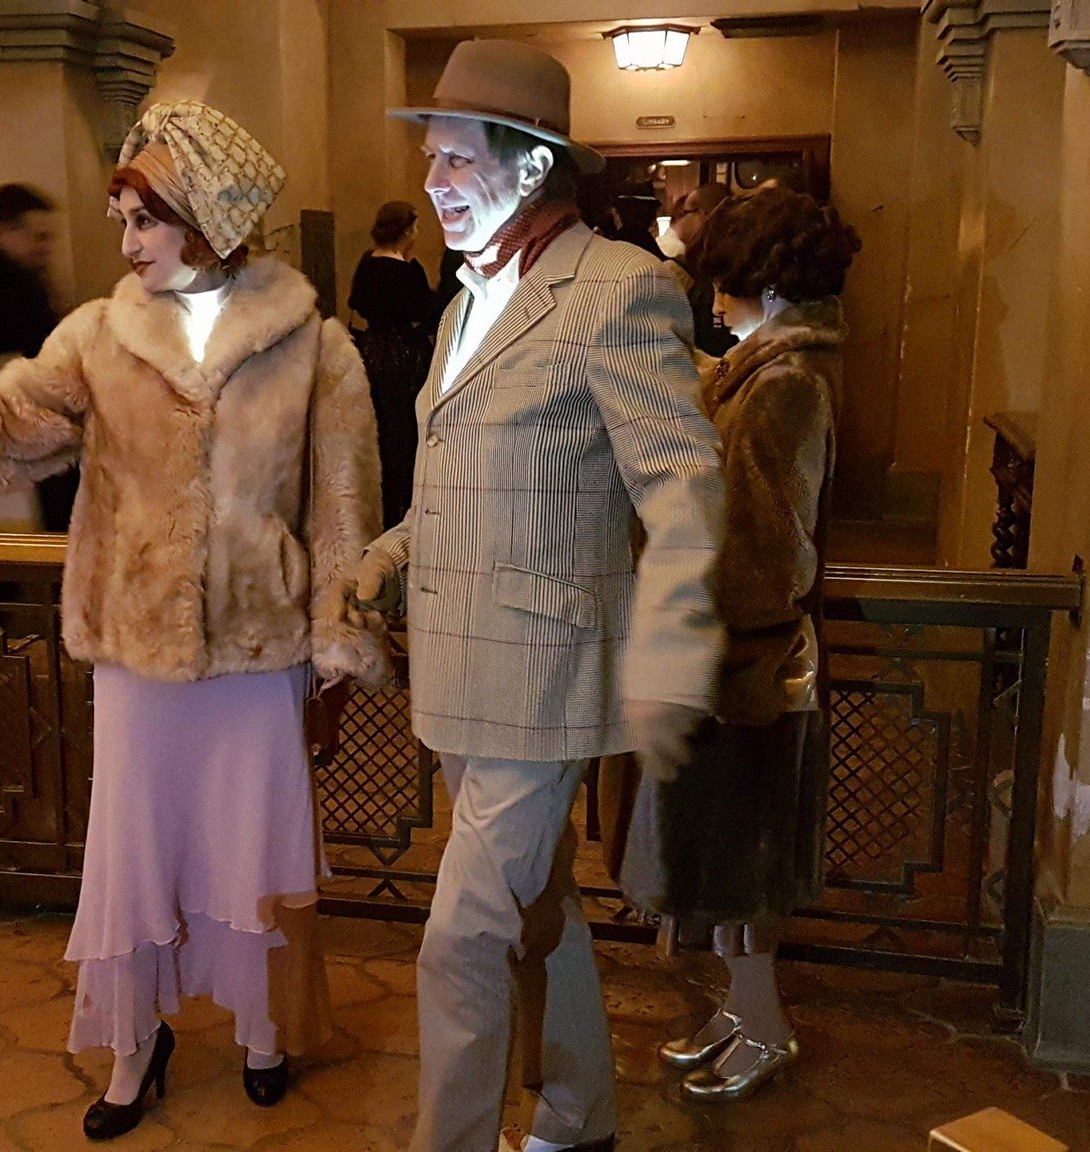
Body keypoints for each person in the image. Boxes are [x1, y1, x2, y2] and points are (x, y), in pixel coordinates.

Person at [0, 101, 389, 1142]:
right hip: (132, 650)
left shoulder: (315, 346)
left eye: (145, 220)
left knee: (253, 849)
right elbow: (6, 415)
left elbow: (342, 503)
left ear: (209, 218)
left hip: (258, 658)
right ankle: (134, 1043)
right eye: (122, 219)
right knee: (134, 852)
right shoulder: (98, 335)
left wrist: (340, 635)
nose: (126, 243)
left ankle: (262, 1032)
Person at [354, 40, 726, 1152]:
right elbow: (453, 486)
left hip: (546, 675)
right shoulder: (464, 302)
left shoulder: (618, 289)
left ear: (528, 166)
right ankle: (578, 1114)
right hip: (459, 663)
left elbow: (686, 490)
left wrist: (672, 652)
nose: (431, 181)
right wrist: (379, 561)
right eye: (428, 158)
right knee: (534, 911)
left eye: (454, 159)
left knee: (459, 940)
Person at [619, 186, 860, 1101]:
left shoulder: (785, 384)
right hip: (732, 662)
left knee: (741, 869)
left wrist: (684, 603)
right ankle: (740, 1014)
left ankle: (766, 1028)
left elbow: (766, 555)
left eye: (728, 281)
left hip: (747, 668)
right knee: (721, 865)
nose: (715, 300)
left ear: (770, 283)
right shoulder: (760, 372)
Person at [0, 183, 76, 531]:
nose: (46, 247)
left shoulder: (14, 283)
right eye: (39, 237)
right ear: (5, 233)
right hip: (23, 438)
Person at [348, 200, 439, 527]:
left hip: (372, 352)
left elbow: (356, 303)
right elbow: (427, 314)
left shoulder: (366, 264)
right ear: (406, 231)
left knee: (379, 433)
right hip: (404, 358)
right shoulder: (409, 271)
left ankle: (379, 511)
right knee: (405, 436)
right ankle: (402, 513)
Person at [667, 183, 736, 359]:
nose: (677, 221)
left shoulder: (680, 269)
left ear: (702, 214)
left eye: (684, 213)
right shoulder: (742, 257)